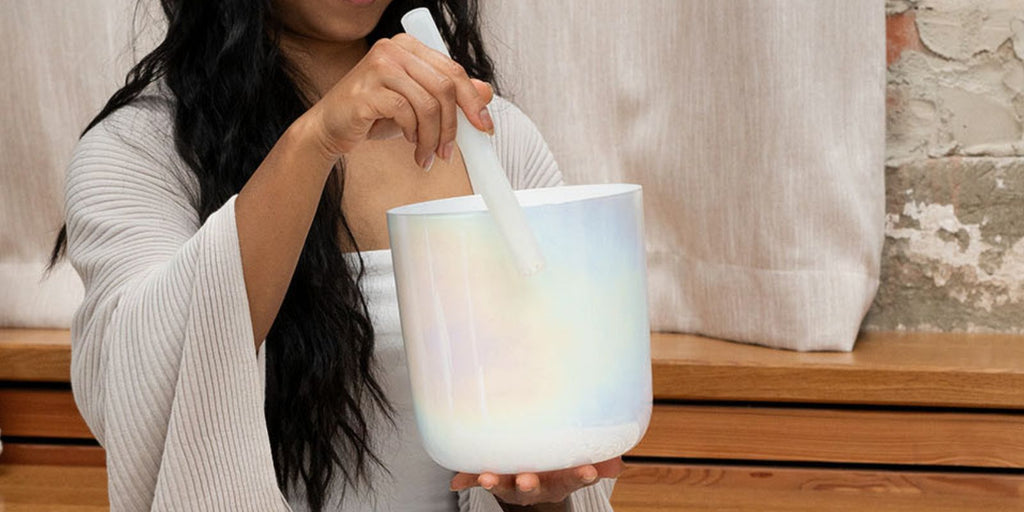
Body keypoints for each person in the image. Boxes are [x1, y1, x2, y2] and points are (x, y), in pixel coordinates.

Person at [52, 0, 623, 510]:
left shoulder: (500, 142)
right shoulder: (138, 152)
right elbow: (139, 388)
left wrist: (538, 496)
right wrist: (315, 141)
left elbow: (560, 436)